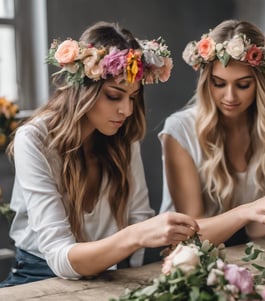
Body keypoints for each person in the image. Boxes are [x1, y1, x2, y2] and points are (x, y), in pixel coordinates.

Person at [0, 21, 199, 287]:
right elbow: (60, 257)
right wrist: (136, 235)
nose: (127, 111)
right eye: (114, 96)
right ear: (84, 87)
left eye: (133, 97)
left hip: (110, 275)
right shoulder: (34, 139)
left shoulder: (122, 135)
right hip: (39, 277)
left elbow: (138, 217)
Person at [159, 19, 265, 246]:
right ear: (206, 82)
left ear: (259, 84)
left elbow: (259, 228)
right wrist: (247, 211)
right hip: (188, 263)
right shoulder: (179, 130)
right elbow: (189, 236)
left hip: (249, 255)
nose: (230, 97)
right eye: (219, 83)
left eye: (242, 85)